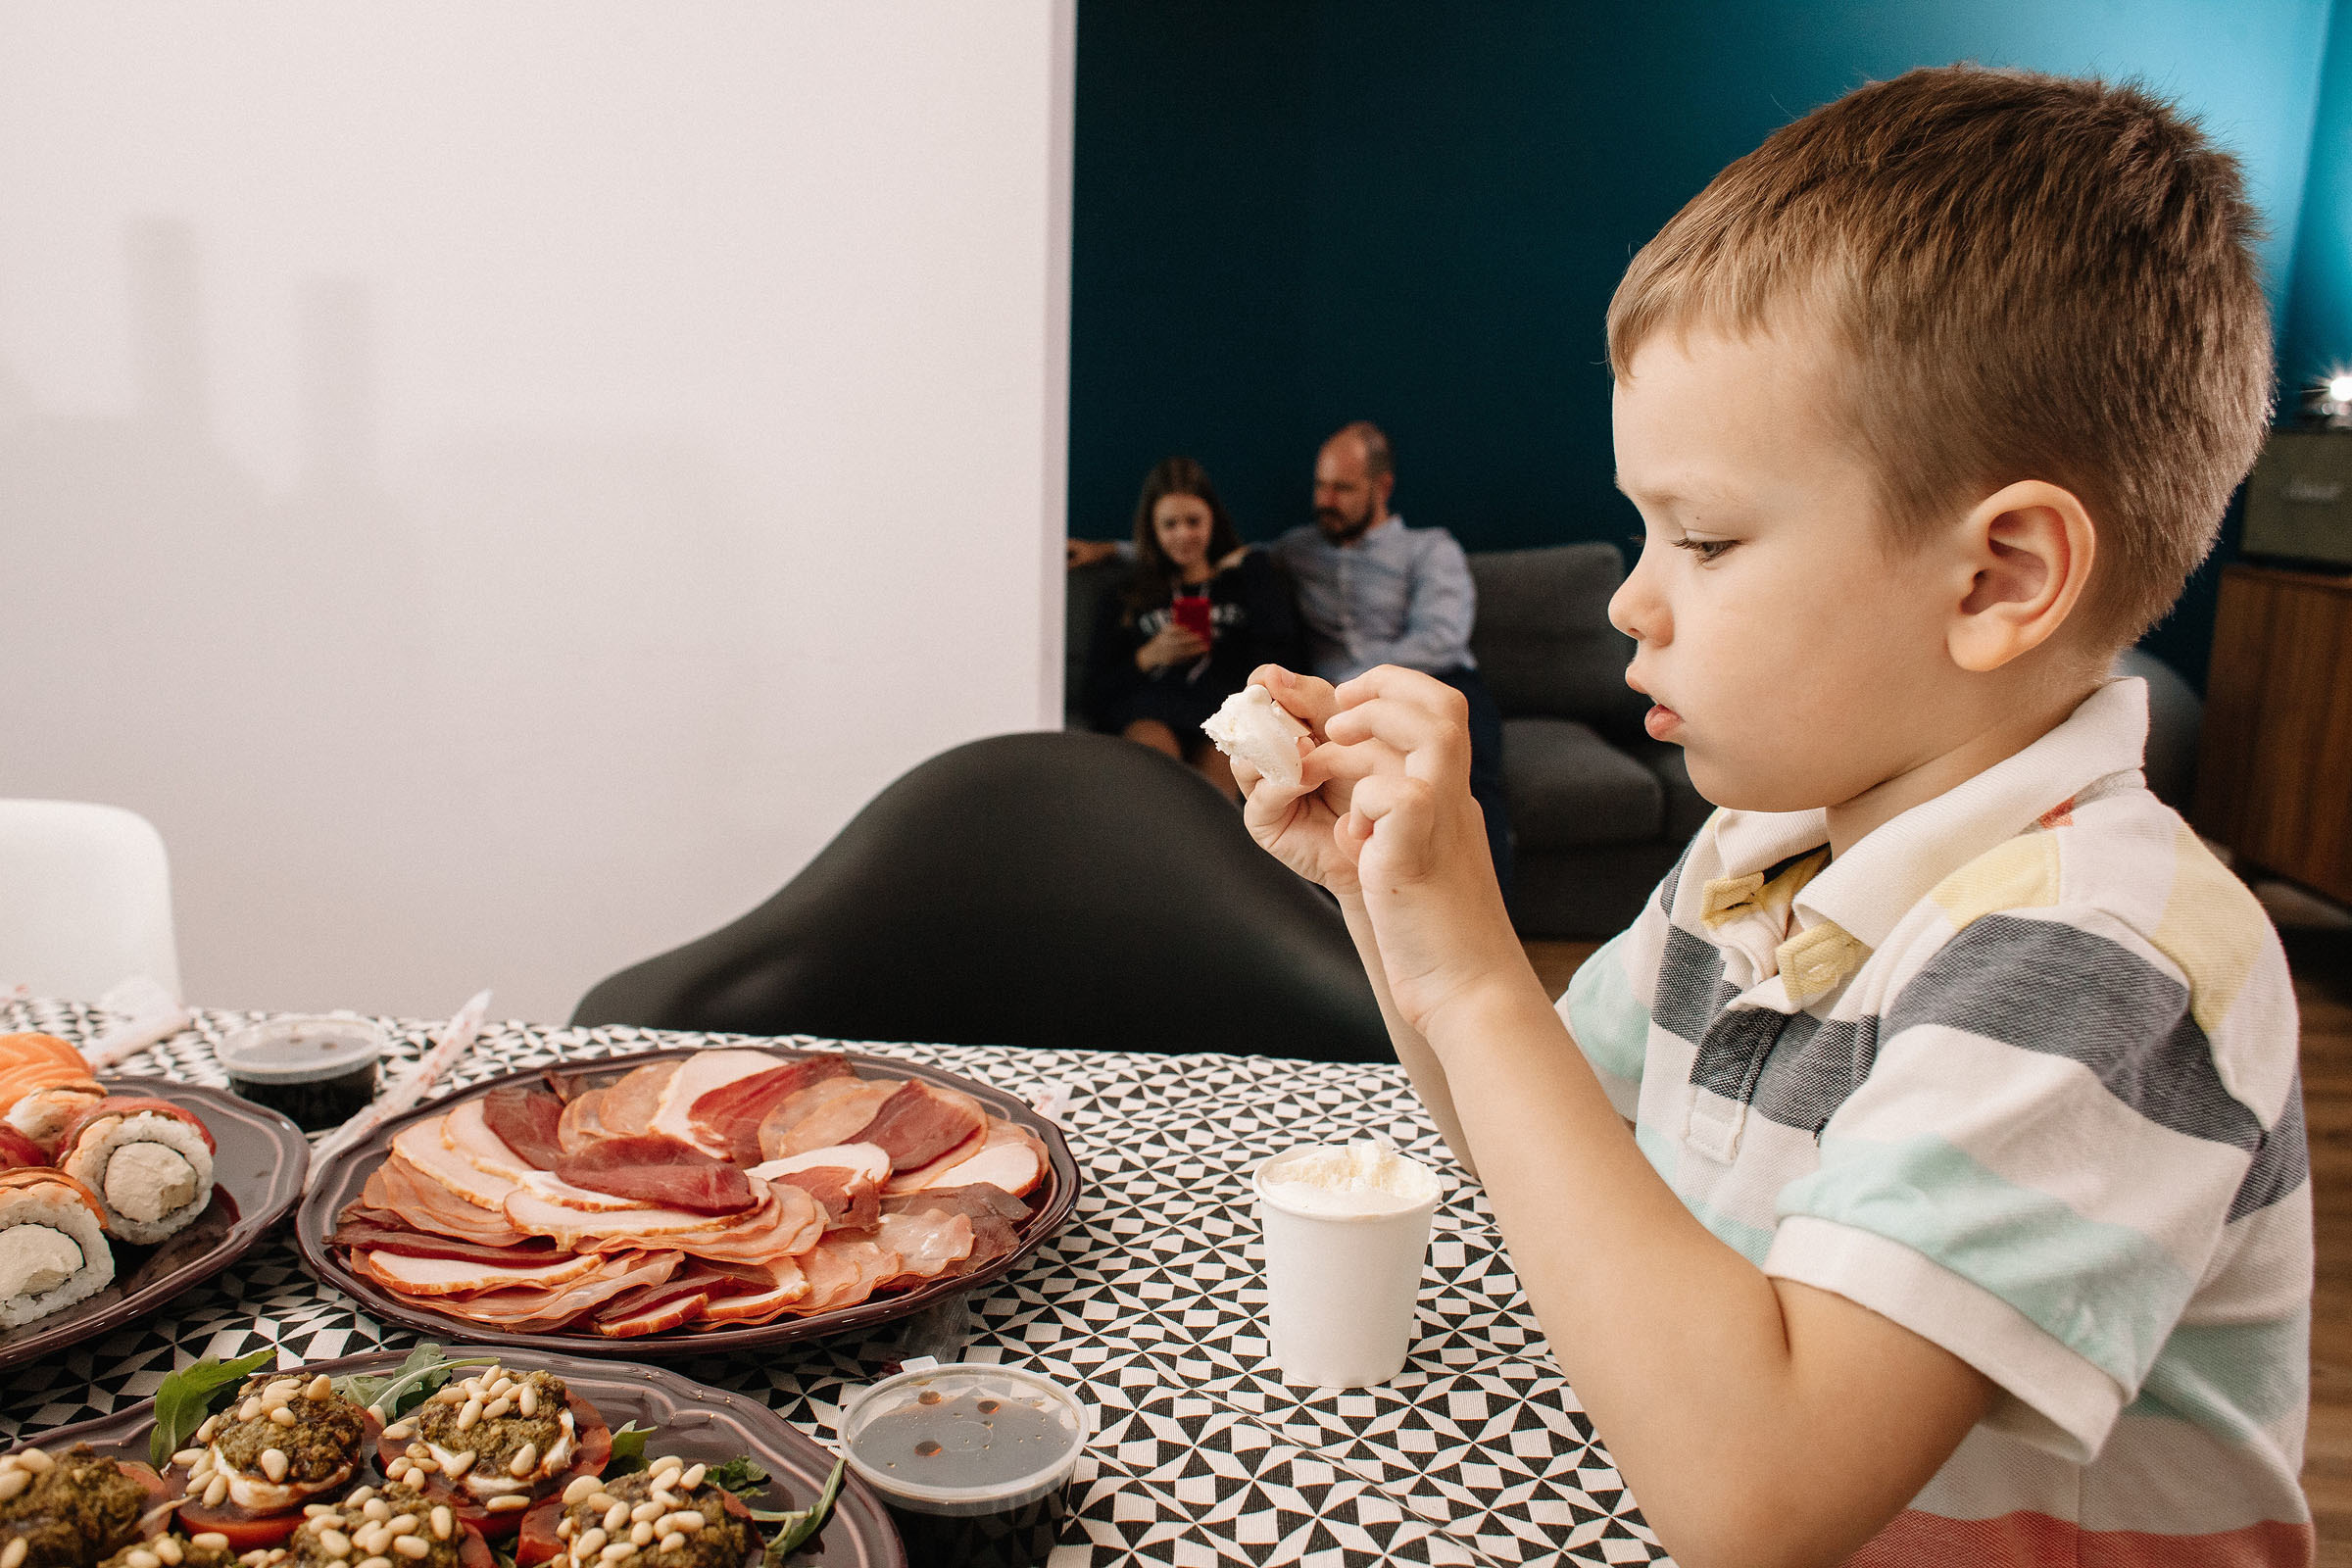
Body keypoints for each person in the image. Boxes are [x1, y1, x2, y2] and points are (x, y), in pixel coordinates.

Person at [1229, 68, 2309, 1566]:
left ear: (1996, 579)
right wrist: (1394, 900)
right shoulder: (1764, 856)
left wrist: (1481, 973)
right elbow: (1529, 1142)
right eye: (1640, 528)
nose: (1629, 597)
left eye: (1707, 536)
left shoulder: (2101, 958)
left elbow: (1761, 1496)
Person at [1072, 425, 1514, 888]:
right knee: (1318, 785)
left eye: (1342, 488)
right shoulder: (1298, 550)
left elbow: (1442, 637)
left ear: (1381, 488)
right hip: (1338, 702)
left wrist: (1351, 679)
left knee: (1464, 781)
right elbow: (1202, 547)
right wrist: (1113, 550)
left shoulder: (1428, 548)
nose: (1326, 499)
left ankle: (1489, 917)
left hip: (1428, 683)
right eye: (1321, 486)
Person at [1080, 456, 1299, 797]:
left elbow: (1282, 654)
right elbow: (1094, 692)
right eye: (1169, 524)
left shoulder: (1244, 585)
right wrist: (1147, 657)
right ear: (1152, 529)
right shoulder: (1128, 594)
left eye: (1193, 521)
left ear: (1213, 519)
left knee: (1222, 768)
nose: (1183, 534)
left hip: (1225, 709)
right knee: (1155, 754)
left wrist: (1252, 564)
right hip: (1151, 707)